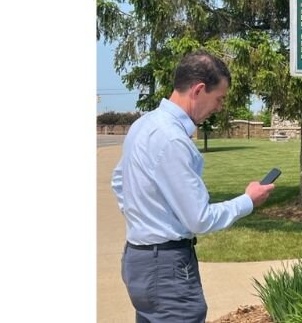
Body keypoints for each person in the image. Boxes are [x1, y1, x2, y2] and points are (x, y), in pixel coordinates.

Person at [111, 50, 275, 323]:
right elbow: (200, 218)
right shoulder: (173, 139)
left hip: (137, 260)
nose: (219, 107)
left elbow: (119, 181)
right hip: (166, 268)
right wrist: (248, 200)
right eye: (219, 98)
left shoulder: (143, 124)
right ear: (199, 90)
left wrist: (146, 216)